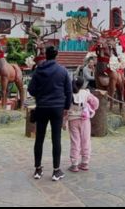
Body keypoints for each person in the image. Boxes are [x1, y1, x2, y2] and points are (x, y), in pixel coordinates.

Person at [28, 46, 72, 182]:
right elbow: (69, 91)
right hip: (57, 108)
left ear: (45, 55)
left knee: (39, 138)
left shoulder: (38, 70)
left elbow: (31, 89)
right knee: (56, 138)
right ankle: (56, 170)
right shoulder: (63, 71)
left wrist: (40, 96)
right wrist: (66, 107)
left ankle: (38, 169)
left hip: (42, 106)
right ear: (56, 55)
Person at [67, 77, 99, 173]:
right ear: (82, 85)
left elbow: (65, 109)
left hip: (72, 119)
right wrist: (91, 108)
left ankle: (74, 164)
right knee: (85, 140)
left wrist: (63, 121)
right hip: (85, 119)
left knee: (75, 141)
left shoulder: (69, 94)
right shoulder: (86, 93)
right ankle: (85, 162)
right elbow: (96, 102)